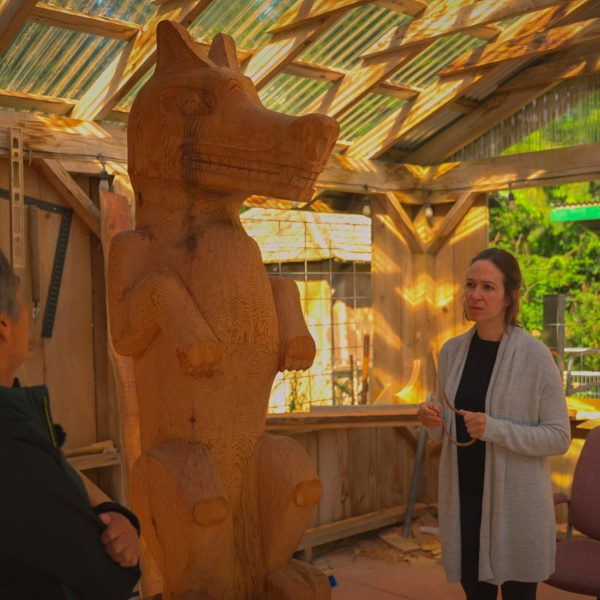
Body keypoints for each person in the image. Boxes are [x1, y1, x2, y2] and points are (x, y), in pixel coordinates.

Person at [418, 248, 570, 600]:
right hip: (464, 499)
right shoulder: (451, 352)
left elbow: (559, 437)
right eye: (470, 284)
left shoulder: (536, 357)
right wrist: (431, 419)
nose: (475, 295)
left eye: (488, 287)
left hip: (516, 507)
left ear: (509, 298)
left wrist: (495, 429)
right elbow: (446, 431)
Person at [0, 249, 141, 600]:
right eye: (18, 292)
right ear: (3, 326)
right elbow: (109, 577)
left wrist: (112, 514)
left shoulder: (17, 424)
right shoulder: (10, 453)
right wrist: (118, 525)